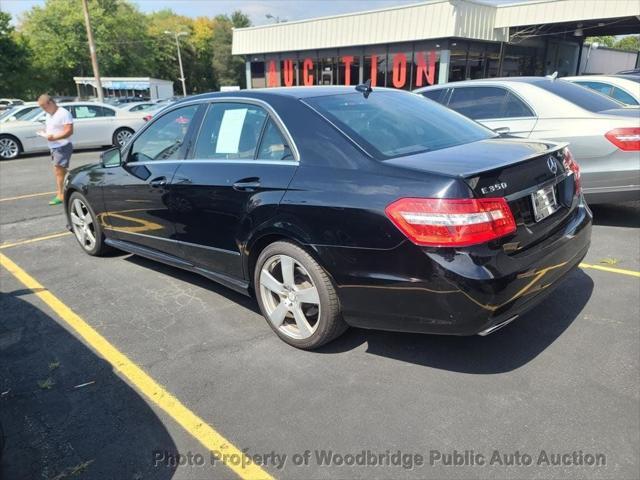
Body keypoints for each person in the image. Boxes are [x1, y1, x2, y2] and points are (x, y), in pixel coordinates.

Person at [37, 94, 74, 205]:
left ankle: (61, 195)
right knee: (59, 170)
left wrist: (54, 138)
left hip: (62, 146)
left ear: (50, 103)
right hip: (54, 146)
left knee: (58, 170)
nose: (43, 109)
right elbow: (52, 128)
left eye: (44, 107)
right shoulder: (49, 115)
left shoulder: (63, 113)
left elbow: (69, 131)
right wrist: (44, 132)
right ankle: (72, 179)